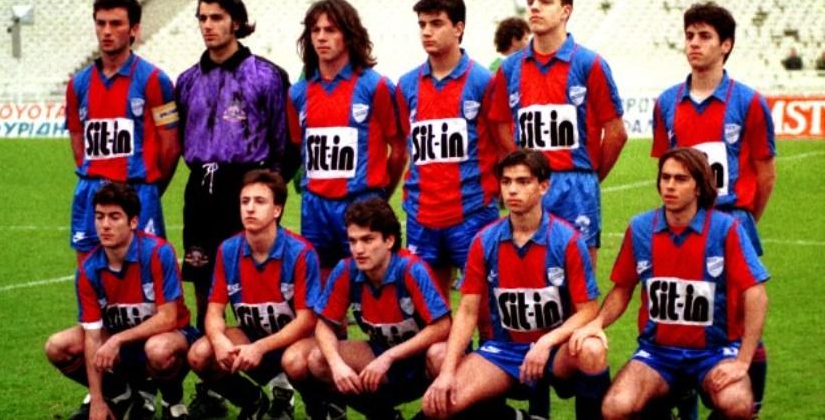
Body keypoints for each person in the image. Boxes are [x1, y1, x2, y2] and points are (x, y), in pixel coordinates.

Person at [570, 147, 769, 420]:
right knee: (615, 407)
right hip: (658, 354)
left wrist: (743, 361)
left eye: (681, 179)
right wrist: (598, 323)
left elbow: (756, 293)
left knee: (737, 404)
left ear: (698, 186)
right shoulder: (640, 228)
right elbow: (622, 289)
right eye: (665, 178)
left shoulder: (726, 228)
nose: (670, 186)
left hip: (714, 352)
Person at [176, 0, 297, 418]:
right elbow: (180, 140)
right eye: (202, 18)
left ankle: (281, 384)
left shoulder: (267, 75)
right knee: (204, 288)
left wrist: (268, 192)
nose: (208, 26)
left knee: (259, 288)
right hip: (201, 191)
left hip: (246, 185)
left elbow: (286, 145)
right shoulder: (186, 81)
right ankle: (214, 386)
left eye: (217, 17)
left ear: (237, 22)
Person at [651, 1, 775, 415]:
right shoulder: (667, 102)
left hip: (731, 218)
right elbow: (665, 167)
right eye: (689, 35)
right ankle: (683, 399)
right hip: (681, 224)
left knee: (740, 320)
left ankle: (750, 404)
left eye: (705, 36)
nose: (694, 43)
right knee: (685, 315)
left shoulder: (749, 102)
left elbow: (766, 173)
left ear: (726, 45)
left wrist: (742, 219)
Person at [421, 150, 609, 419]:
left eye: (523, 182)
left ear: (543, 186)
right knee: (438, 406)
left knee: (592, 349)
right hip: (505, 351)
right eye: (506, 182)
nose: (512, 190)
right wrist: (447, 373)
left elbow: (588, 310)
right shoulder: (484, 240)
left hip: (556, 350)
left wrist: (546, 342)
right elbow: (467, 311)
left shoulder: (567, 240)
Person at [489, 0, 628, 268]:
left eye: (545, 1)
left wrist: (589, 176)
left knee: (580, 280)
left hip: (575, 186)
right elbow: (500, 125)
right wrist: (522, 167)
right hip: (528, 185)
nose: (534, 7)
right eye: (530, 1)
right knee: (530, 278)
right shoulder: (510, 68)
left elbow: (616, 133)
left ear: (566, 10)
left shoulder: (589, 64)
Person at [286, 197, 451, 419]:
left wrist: (390, 356)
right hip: (381, 353)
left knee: (440, 355)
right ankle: (381, 414)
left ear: (389, 240)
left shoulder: (411, 269)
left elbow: (442, 326)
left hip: (421, 361)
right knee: (317, 359)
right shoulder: (346, 270)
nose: (358, 249)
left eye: (367, 240)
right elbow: (324, 326)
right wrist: (337, 365)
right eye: (353, 241)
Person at [44, 183, 197, 420]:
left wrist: (118, 339)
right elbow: (92, 336)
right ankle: (117, 393)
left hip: (168, 337)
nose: (105, 225)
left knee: (158, 350)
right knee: (57, 346)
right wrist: (97, 399)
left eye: (114, 217)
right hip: (120, 343)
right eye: (99, 217)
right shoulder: (88, 269)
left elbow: (168, 318)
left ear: (133, 222)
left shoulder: (158, 253)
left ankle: (172, 401)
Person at [286, 0, 407, 281]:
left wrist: (379, 196)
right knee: (322, 289)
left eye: (331, 30)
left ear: (349, 35)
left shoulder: (375, 86)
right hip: (315, 208)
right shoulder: (297, 93)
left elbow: (399, 150)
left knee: (370, 286)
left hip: (360, 200)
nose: (321, 37)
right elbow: (300, 149)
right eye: (315, 30)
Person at [187, 170, 321, 420]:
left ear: (277, 210)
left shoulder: (301, 252)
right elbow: (214, 310)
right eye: (245, 201)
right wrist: (218, 339)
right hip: (252, 336)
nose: (250, 208)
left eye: (260, 201)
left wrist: (260, 347)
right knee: (200, 354)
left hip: (294, 343)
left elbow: (306, 321)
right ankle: (252, 400)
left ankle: (318, 408)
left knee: (295, 361)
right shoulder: (228, 250)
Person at [395, 0, 499, 296]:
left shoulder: (483, 81)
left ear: (458, 28)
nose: (427, 32)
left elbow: (500, 143)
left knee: (483, 304)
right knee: (427, 305)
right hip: (422, 214)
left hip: (472, 212)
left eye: (436, 23)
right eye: (422, 24)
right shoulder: (407, 85)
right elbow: (405, 146)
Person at [65, 0, 180, 265]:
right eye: (101, 23)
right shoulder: (78, 84)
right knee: (89, 274)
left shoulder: (154, 80)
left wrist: (150, 187)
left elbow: (171, 147)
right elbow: (78, 141)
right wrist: (94, 175)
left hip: (138, 191)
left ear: (134, 29)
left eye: (116, 23)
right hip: (90, 193)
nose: (107, 31)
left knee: (145, 274)